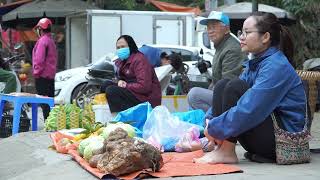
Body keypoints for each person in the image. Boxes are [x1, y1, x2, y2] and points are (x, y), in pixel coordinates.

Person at [193, 11, 306, 164]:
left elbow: (251, 108)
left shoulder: (276, 66)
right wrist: (205, 126)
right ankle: (220, 149)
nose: (241, 37)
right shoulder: (256, 64)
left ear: (265, 37)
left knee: (234, 87)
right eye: (241, 32)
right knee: (223, 85)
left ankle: (226, 151)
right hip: (263, 138)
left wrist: (214, 127)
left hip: (281, 142)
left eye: (247, 32)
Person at [187, 11, 246, 112]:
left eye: (214, 26)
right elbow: (216, 80)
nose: (210, 31)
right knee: (193, 100)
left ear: (226, 29)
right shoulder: (222, 45)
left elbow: (227, 84)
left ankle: (214, 122)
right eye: (208, 27)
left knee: (194, 94)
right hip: (224, 95)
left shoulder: (231, 49)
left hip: (233, 100)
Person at [105, 35, 161, 112]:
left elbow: (144, 87)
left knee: (111, 91)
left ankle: (128, 117)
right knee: (106, 85)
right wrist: (119, 81)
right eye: (118, 48)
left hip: (146, 98)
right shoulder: (122, 61)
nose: (120, 50)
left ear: (130, 46)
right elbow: (122, 78)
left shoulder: (140, 60)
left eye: (123, 47)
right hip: (134, 92)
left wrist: (126, 85)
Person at [32, 18, 57, 120]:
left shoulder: (42, 41)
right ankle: (51, 122)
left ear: (40, 29)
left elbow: (39, 60)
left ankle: (48, 122)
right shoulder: (51, 41)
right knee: (50, 101)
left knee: (43, 101)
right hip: (50, 77)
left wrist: (36, 73)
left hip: (42, 76)